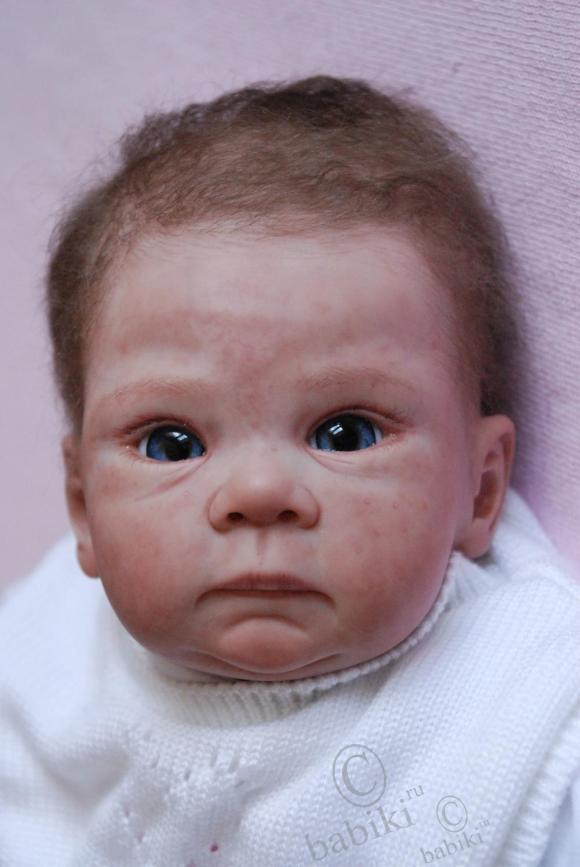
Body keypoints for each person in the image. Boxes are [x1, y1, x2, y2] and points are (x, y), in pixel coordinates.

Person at [1, 75, 579, 866]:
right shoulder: (46, 652)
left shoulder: (522, 723)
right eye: (173, 443)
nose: (259, 493)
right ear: (82, 508)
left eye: (345, 433)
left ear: (479, 489)